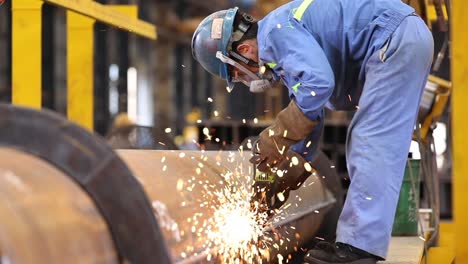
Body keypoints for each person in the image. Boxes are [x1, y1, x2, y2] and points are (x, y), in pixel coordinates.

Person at [191, 0, 433, 263]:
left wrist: (277, 134)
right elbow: (311, 117)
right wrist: (285, 173)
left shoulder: (276, 33)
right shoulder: (282, 46)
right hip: (399, 38)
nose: (242, 80)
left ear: (244, 50)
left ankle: (359, 250)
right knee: (366, 139)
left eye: (236, 73)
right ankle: (355, 243)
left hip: (393, 38)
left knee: (369, 141)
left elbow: (318, 85)